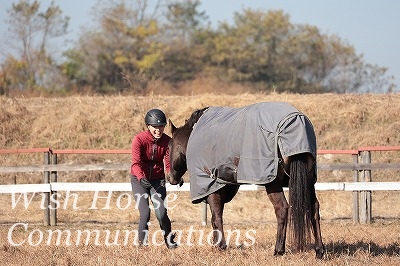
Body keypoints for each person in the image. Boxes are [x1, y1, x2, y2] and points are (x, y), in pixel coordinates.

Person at [130, 108, 177, 248]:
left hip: (157, 180)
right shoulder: (139, 140)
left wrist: (172, 176)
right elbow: (136, 163)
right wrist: (140, 176)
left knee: (161, 213)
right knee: (145, 213)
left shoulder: (168, 141)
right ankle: (142, 245)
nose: (158, 130)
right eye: (155, 127)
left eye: (161, 126)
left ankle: (170, 242)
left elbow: (168, 163)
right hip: (139, 179)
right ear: (148, 126)